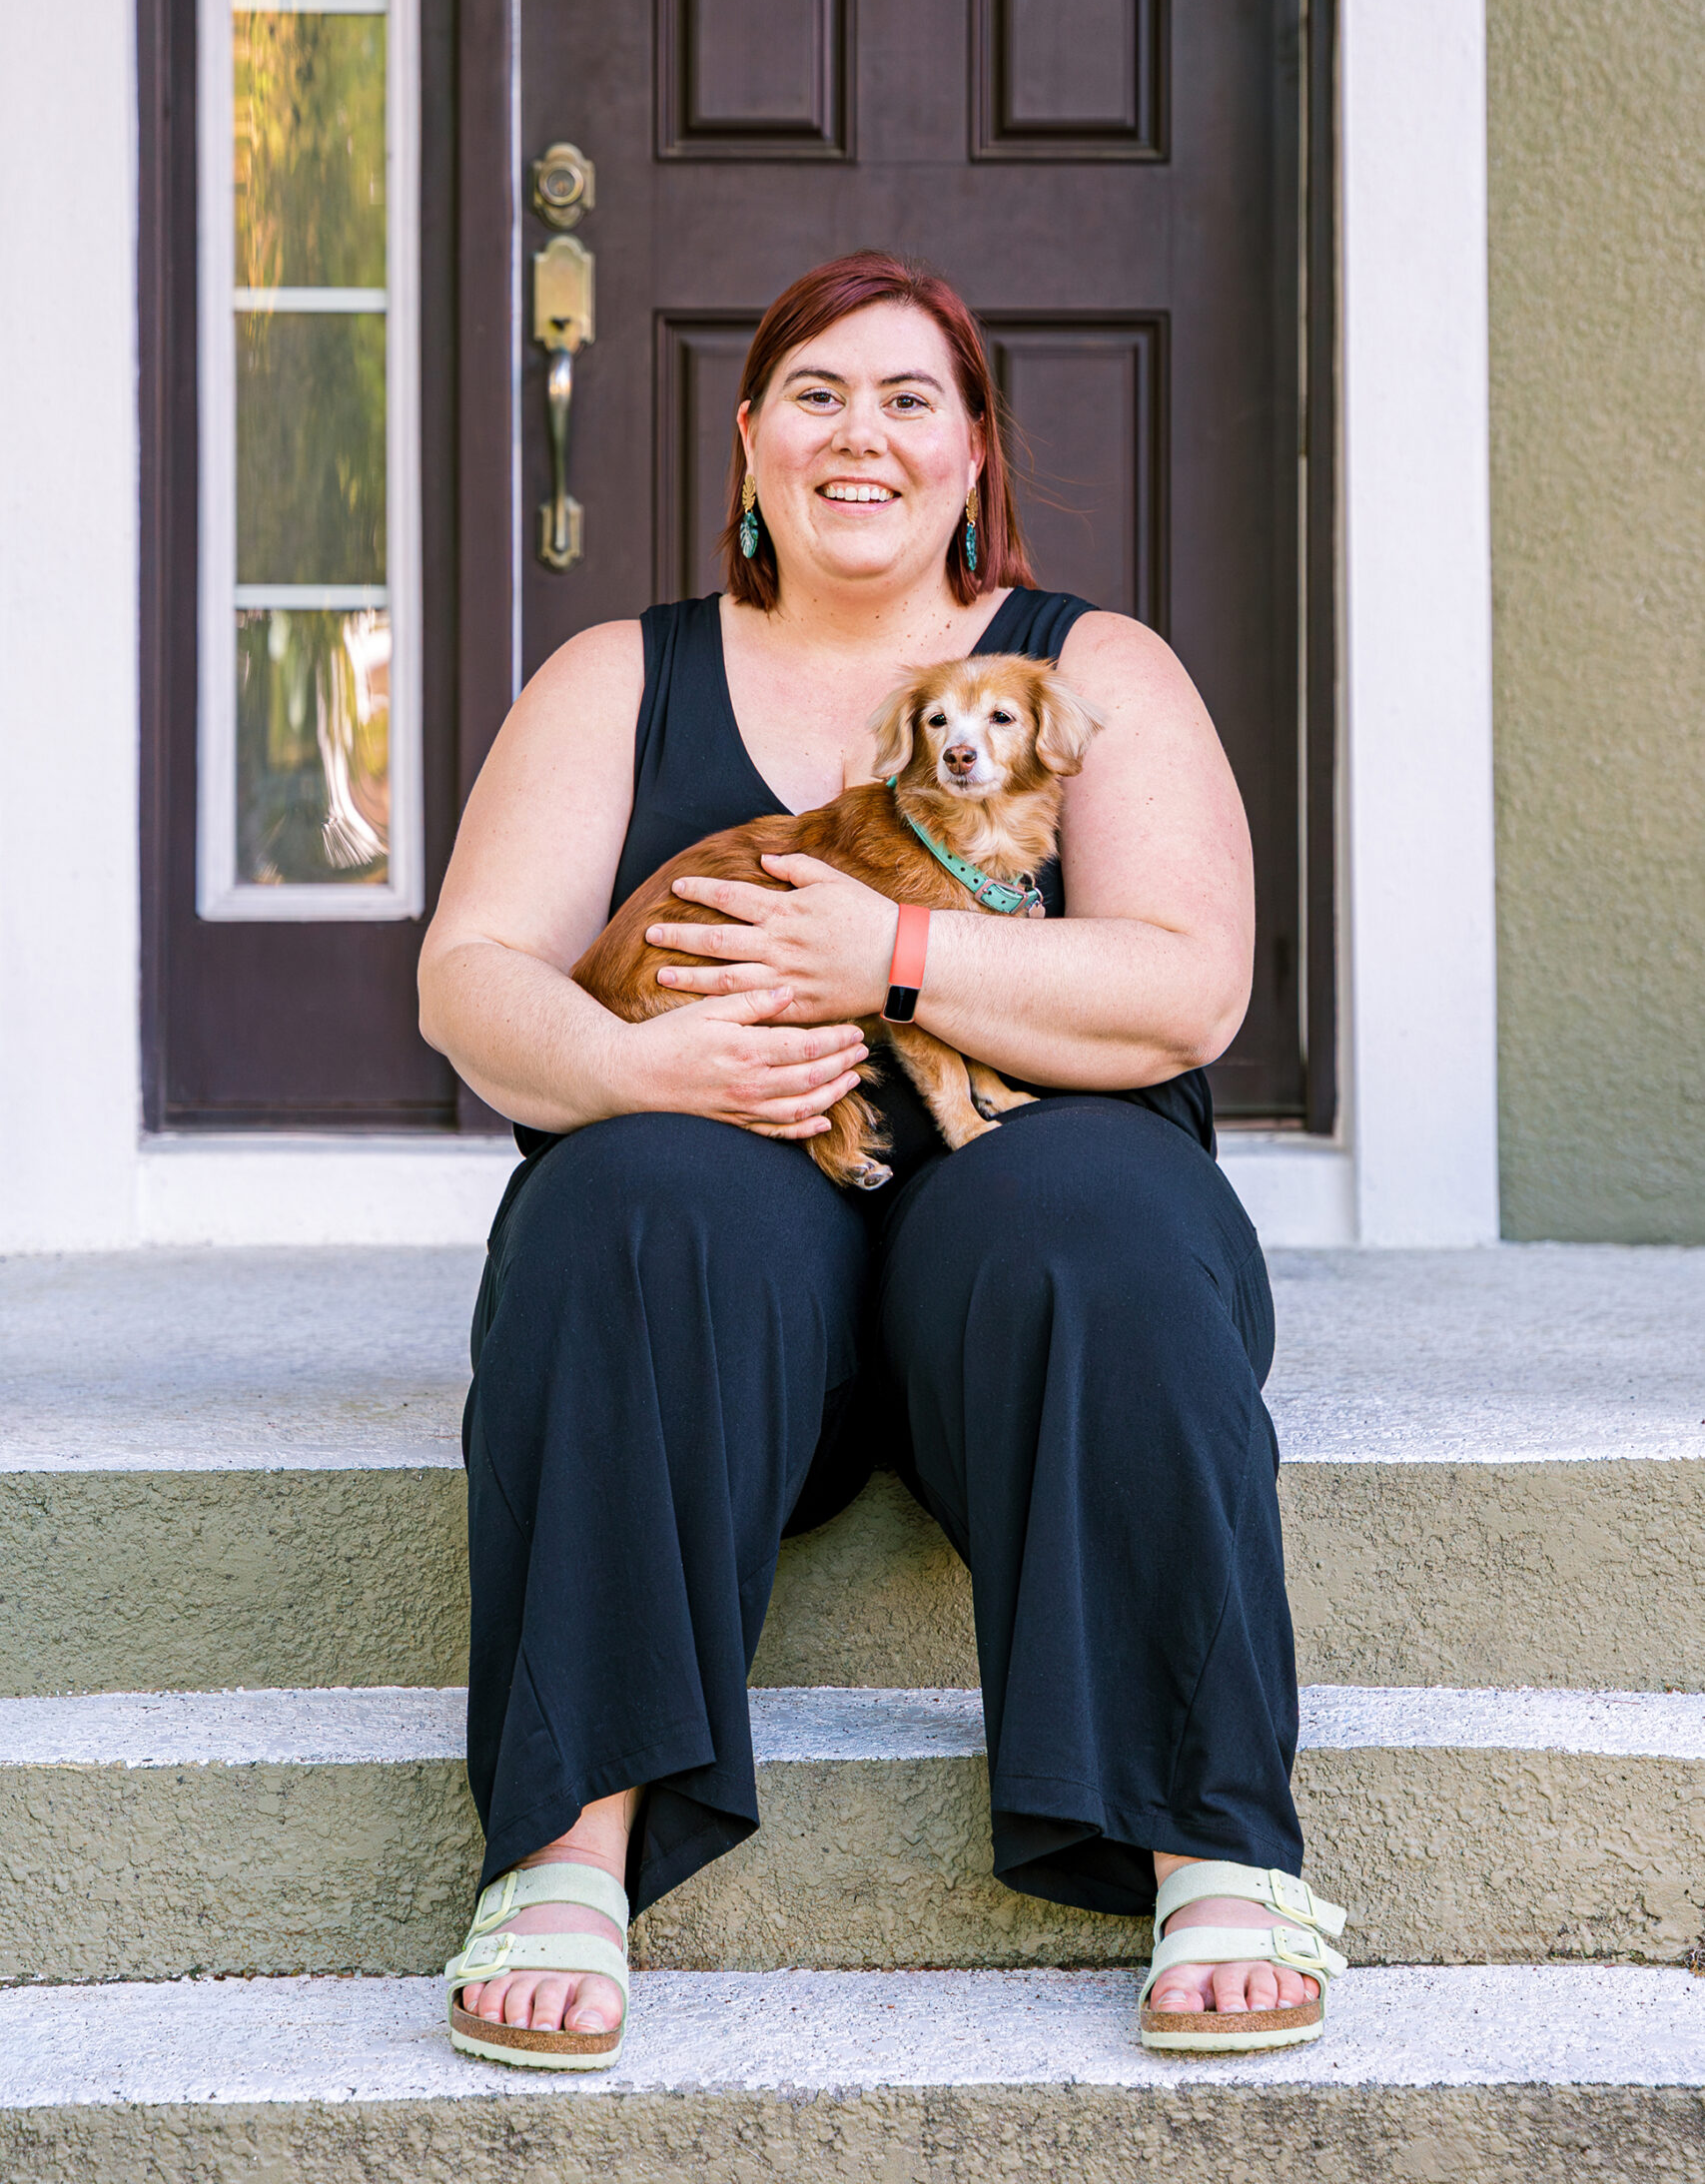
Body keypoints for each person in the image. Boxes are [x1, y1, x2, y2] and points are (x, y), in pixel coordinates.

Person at [419, 251, 1344, 2070]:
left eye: (912, 398)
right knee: (629, 1200)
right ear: (751, 440)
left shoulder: (1091, 669)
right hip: (734, 1256)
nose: (864, 435)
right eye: (819, 395)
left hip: (1021, 1258)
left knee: (1106, 1215)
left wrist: (895, 957)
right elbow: (469, 979)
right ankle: (567, 1846)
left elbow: (1187, 989)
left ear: (974, 450)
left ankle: (1210, 1843)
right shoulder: (622, 674)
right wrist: (629, 1059)